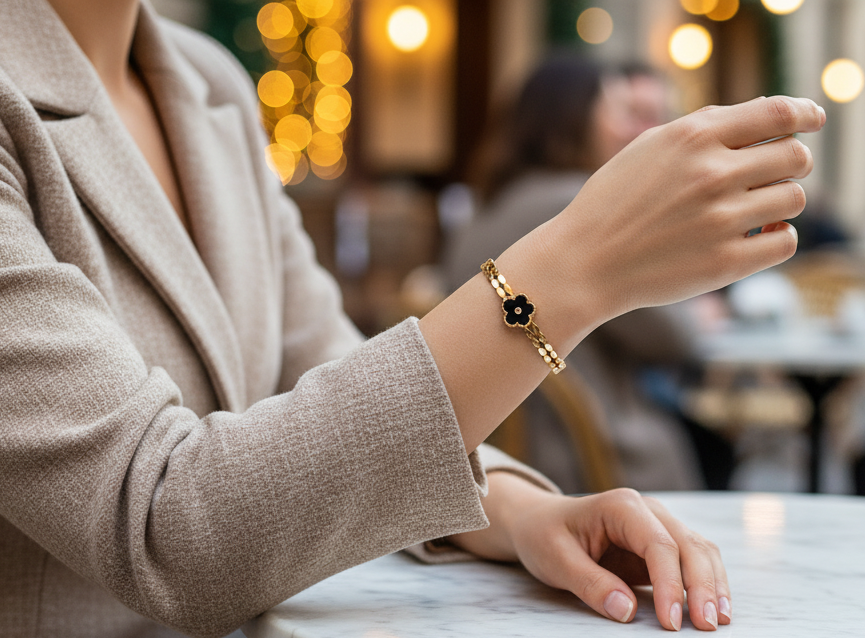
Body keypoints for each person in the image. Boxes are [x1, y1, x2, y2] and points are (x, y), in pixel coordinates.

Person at [0, 0, 823, 636]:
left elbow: (318, 361)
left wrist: (518, 510)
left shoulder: (206, 80)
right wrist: (573, 267)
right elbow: (162, 530)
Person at [445, 56, 703, 492]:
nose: (632, 131)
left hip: (495, 447)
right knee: (709, 442)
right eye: (619, 111)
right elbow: (675, 339)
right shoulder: (580, 208)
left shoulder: (485, 205)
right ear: (575, 118)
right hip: (587, 452)